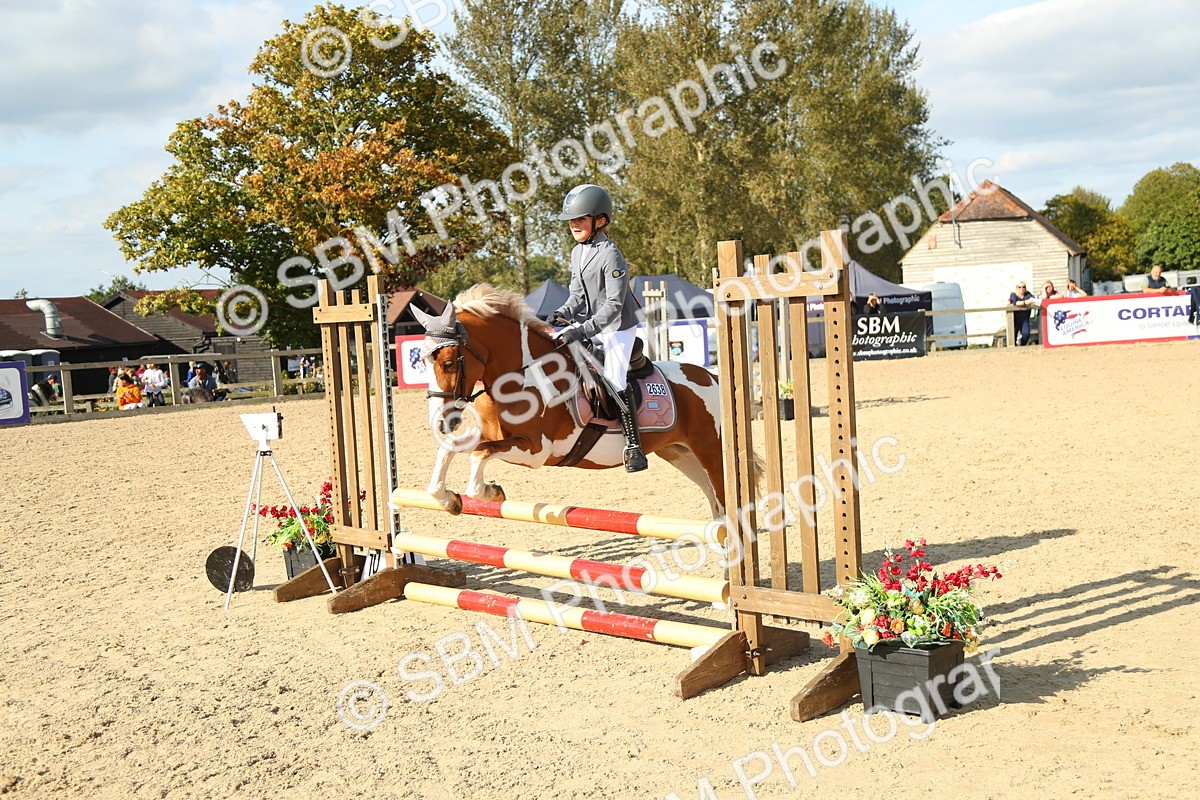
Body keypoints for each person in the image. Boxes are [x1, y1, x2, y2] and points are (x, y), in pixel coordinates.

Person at [539, 183, 647, 472]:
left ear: (600, 221)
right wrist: (559, 314)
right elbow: (576, 296)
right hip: (590, 322)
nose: (574, 224)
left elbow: (613, 305)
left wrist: (583, 329)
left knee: (614, 378)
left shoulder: (611, 254)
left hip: (617, 327)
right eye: (572, 220)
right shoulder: (578, 253)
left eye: (580, 219)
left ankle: (634, 446)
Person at [1008, 282, 1037, 346]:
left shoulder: (1028, 294)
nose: (1022, 288)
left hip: (1025, 319)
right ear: (1016, 288)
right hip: (1014, 319)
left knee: (1026, 334)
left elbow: (1034, 300)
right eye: (1019, 287)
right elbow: (1015, 303)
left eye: (1023, 287)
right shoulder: (1013, 294)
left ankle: (1022, 345)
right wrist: (1026, 302)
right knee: (1013, 336)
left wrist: (1030, 302)